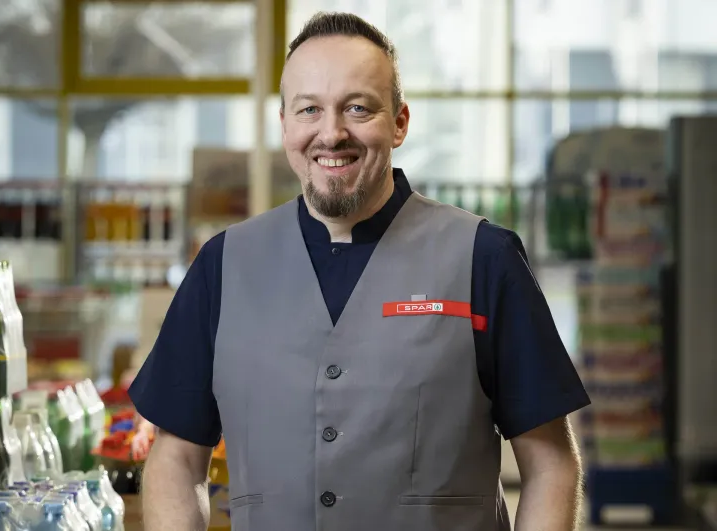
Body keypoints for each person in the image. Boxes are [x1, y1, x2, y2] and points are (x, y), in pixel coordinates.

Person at [129, 11, 591, 531]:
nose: (332, 133)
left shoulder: (484, 259)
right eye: (309, 110)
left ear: (399, 122)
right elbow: (175, 458)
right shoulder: (222, 267)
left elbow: (550, 464)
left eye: (357, 108)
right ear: (284, 125)